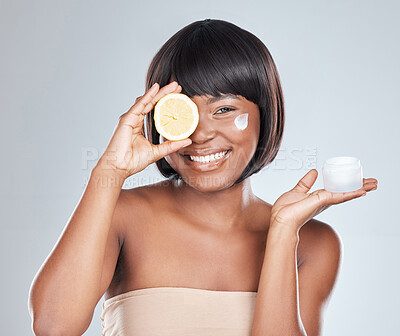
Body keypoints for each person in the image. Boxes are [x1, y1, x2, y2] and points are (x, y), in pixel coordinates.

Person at [28, 19, 378, 336]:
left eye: (224, 109)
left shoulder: (313, 243)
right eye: (181, 112)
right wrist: (109, 171)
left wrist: (283, 232)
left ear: (265, 114)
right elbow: (52, 327)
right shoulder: (123, 215)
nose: (200, 134)